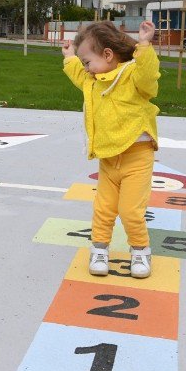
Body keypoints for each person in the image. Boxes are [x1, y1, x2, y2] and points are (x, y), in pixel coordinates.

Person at [62, 20, 160, 279]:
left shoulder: (131, 75)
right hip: (108, 160)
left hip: (137, 157)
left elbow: (149, 78)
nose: (86, 69)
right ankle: (99, 249)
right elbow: (77, 75)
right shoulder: (93, 81)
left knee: (130, 211)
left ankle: (140, 250)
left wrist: (145, 45)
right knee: (103, 208)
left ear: (107, 54)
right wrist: (71, 57)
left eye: (87, 62)